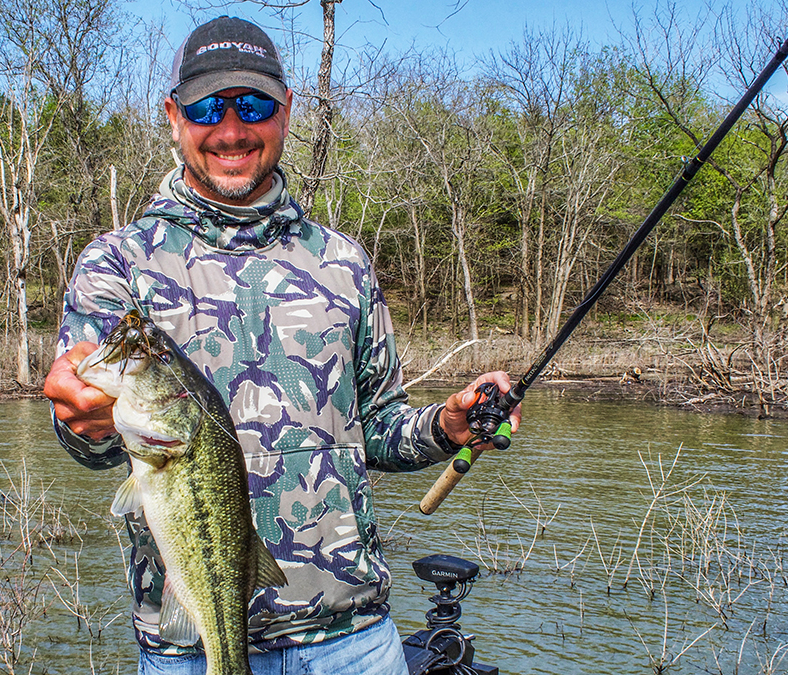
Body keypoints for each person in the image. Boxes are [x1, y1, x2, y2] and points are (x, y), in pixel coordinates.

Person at [43, 15, 521, 675]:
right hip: (191, 648)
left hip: (352, 640)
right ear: (173, 115)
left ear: (287, 110)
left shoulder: (342, 263)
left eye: (254, 105)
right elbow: (87, 440)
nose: (232, 130)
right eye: (208, 106)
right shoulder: (117, 265)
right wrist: (83, 420)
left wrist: (448, 424)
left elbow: (378, 426)